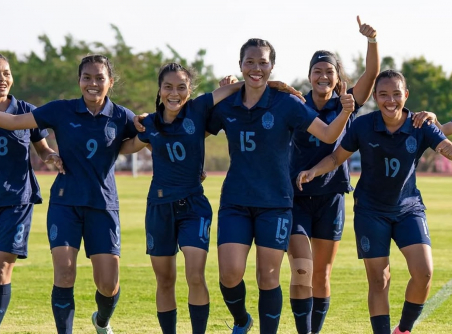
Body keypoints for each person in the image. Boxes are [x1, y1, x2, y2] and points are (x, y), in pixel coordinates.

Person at [0, 54, 138, 334]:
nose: (93, 83)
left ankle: (102, 321)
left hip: (79, 204)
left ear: (110, 82)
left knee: (107, 284)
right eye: (87, 77)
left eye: (99, 78)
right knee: (58, 274)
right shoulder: (59, 110)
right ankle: (0, 321)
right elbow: (11, 123)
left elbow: (147, 137)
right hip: (42, 203)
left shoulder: (121, 115)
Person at [124, 63, 303, 334]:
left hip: (194, 206)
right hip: (159, 207)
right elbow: (125, 147)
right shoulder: (149, 124)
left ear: (190, 90)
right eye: (168, 87)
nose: (175, 93)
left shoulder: (197, 110)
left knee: (195, 274)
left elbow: (245, 84)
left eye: (181, 87)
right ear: (159, 90)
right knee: (164, 280)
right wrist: (126, 124)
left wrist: (274, 85)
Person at [206, 38, 355, 334]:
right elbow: (195, 127)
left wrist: (346, 113)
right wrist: (230, 88)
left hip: (275, 202)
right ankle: (241, 319)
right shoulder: (227, 105)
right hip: (235, 200)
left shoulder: (286, 103)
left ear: (272, 66)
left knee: (268, 276)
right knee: (230, 273)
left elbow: (327, 135)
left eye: (263, 62)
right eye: (250, 62)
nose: (256, 68)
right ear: (240, 65)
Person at [296, 70, 452, 334]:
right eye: (383, 94)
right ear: (375, 96)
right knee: (379, 279)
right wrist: (313, 171)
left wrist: (451, 151)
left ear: (405, 95)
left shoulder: (421, 125)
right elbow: (336, 158)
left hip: (408, 209)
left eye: (396, 94)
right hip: (371, 212)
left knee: (424, 273)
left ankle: (403, 329)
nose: (390, 100)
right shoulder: (363, 125)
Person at [287, 16, 379, 334]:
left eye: (329, 71)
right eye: (317, 71)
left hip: (330, 197)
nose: (323, 76)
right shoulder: (296, 105)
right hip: (296, 197)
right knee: (301, 269)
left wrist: (371, 40)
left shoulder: (347, 103)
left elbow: (371, 75)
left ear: (337, 76)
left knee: (321, 275)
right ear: (310, 76)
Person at [0, 53, 63, 334]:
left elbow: (42, 149)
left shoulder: (26, 110)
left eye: (6, 73)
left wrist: (52, 157)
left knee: (2, 268)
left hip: (18, 201)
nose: (2, 79)